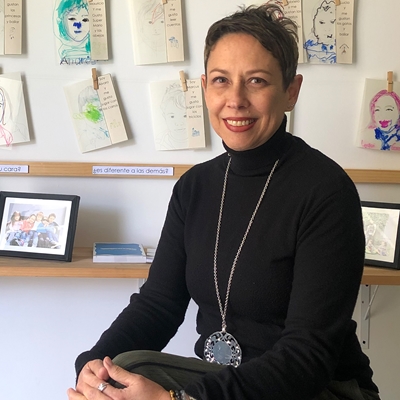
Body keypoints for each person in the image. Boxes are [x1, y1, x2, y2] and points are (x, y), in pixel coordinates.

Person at [68, 4, 380, 400]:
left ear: (291, 91)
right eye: (221, 80)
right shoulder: (193, 187)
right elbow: (159, 304)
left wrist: (180, 399)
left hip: (318, 389)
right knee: (117, 374)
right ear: (205, 87)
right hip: (225, 383)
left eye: (256, 81)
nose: (235, 99)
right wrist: (93, 367)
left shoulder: (326, 191)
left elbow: (308, 357)